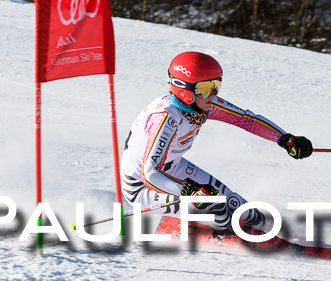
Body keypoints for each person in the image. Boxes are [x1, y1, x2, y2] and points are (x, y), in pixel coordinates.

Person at [121, 51, 313, 233]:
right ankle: (225, 234)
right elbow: (150, 173)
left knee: (236, 204)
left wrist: (284, 138)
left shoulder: (201, 104)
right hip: (142, 188)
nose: (212, 95)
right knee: (215, 206)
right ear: (184, 90)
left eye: (215, 86)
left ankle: (272, 232)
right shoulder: (166, 118)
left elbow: (245, 119)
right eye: (205, 89)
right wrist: (188, 192)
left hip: (172, 169)